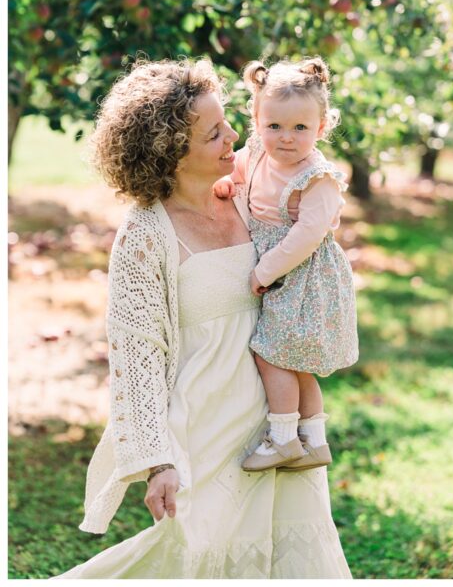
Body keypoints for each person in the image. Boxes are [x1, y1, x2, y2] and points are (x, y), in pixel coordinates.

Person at [59, 59, 351, 578]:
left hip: (277, 433)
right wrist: (159, 461)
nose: (235, 136)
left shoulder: (250, 200)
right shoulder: (145, 236)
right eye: (215, 132)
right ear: (172, 151)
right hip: (205, 430)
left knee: (296, 560)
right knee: (202, 560)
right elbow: (136, 358)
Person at [214, 57, 358, 472]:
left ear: (321, 128)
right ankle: (314, 441)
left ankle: (282, 439)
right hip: (280, 269)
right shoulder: (257, 152)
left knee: (273, 354)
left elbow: (306, 236)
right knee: (294, 359)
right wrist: (229, 183)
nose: (286, 138)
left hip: (302, 274)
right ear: (256, 120)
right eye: (274, 126)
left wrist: (265, 270)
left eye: (300, 128)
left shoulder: (318, 178)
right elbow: (241, 172)